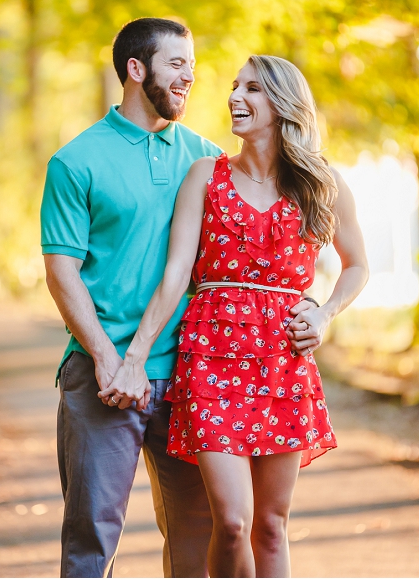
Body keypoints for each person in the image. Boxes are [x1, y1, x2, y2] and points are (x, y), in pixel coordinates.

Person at [41, 19, 323, 578]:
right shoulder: (75, 161)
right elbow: (61, 272)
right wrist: (108, 359)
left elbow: (264, 254)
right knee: (92, 538)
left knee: (204, 538)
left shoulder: (210, 159)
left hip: (200, 376)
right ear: (135, 70)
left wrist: (315, 306)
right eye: (177, 65)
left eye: (192, 66)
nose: (190, 77)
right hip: (105, 375)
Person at [103, 55, 368, 577]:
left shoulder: (322, 183)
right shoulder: (206, 175)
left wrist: (325, 312)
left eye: (252, 89)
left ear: (284, 104)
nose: (234, 96)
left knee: (271, 523)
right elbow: (176, 274)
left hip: (281, 363)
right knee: (231, 521)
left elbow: (357, 265)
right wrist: (131, 357)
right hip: (210, 358)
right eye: (233, 86)